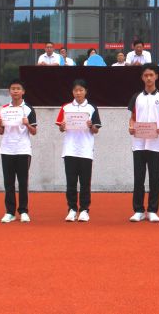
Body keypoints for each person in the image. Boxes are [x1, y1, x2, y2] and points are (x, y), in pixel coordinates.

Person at [128, 65, 159, 222]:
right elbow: (132, 118)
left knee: (154, 177)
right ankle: (138, 210)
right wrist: (131, 127)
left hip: (156, 143)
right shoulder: (136, 97)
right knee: (138, 178)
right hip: (138, 143)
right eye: (146, 75)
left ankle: (153, 210)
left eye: (151, 75)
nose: (148, 78)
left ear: (156, 76)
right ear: (142, 77)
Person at [56, 79, 102, 222]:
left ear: (85, 91)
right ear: (72, 92)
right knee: (71, 182)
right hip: (69, 150)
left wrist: (91, 125)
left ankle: (84, 210)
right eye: (76, 90)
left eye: (81, 90)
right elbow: (61, 128)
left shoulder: (92, 108)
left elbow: (96, 130)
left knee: (85, 183)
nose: (78, 93)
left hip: (85, 150)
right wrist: (62, 126)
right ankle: (71, 209)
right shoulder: (66, 107)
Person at [0, 79, 37, 223]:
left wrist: (27, 124)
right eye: (13, 88)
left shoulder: (29, 109)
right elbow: (1, 131)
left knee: (23, 182)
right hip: (7, 149)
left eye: (18, 88)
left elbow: (34, 131)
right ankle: (10, 212)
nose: (15, 91)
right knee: (9, 182)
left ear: (23, 91)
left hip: (23, 149)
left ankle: (23, 211)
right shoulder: (4, 109)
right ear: (9, 91)